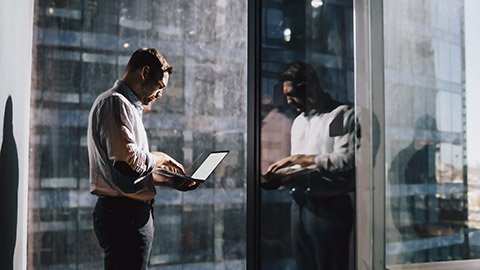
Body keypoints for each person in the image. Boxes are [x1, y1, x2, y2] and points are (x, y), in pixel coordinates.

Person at [87, 48, 198, 270]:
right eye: (160, 85)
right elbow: (130, 164)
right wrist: (161, 157)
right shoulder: (115, 103)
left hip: (126, 215)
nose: (160, 94)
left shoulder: (126, 107)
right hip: (123, 216)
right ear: (145, 72)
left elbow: (124, 172)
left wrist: (168, 180)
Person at [267, 61, 356, 270]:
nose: (288, 100)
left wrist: (300, 159)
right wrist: (283, 176)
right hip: (299, 204)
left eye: (292, 93)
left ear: (311, 86)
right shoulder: (298, 121)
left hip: (330, 205)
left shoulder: (339, 115)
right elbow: (300, 166)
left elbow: (344, 158)